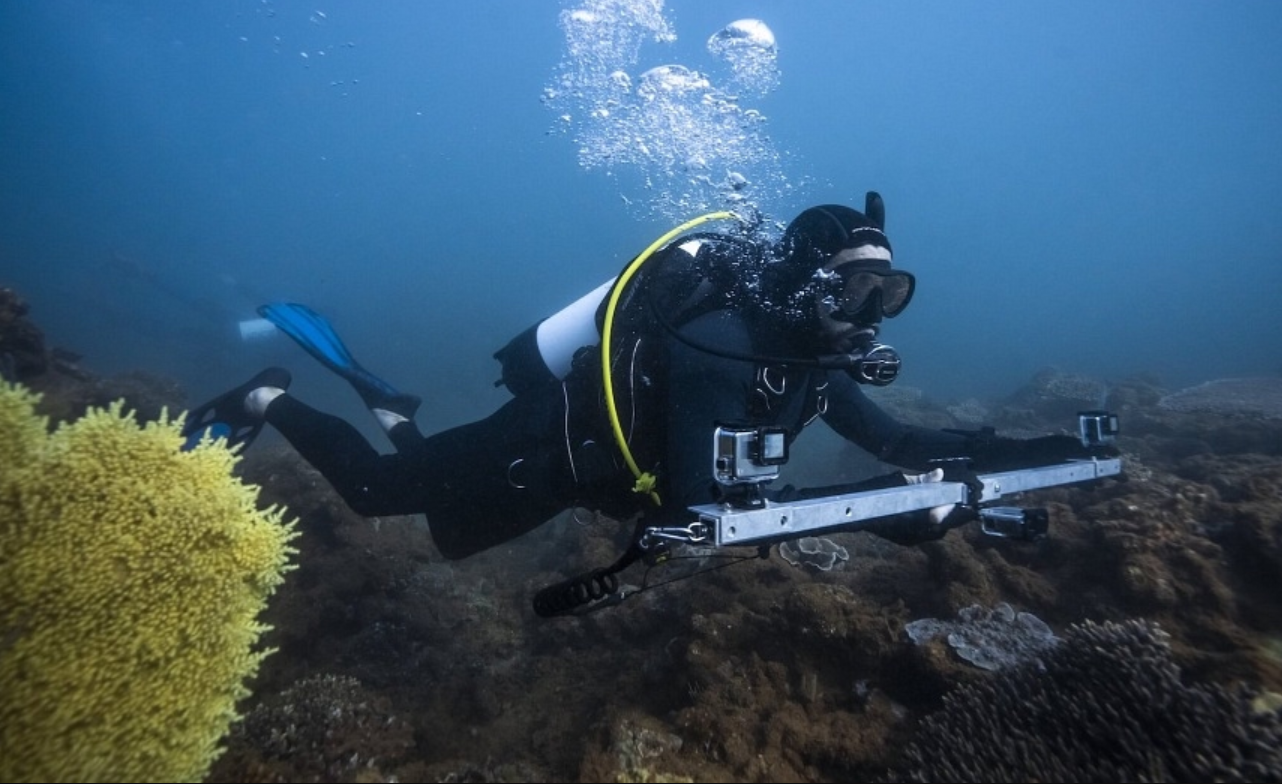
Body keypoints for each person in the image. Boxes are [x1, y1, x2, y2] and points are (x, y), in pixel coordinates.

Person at [183, 192, 1094, 568]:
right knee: (379, 495)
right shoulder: (720, 344)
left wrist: (1024, 451)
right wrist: (898, 513)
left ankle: (391, 407)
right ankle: (266, 394)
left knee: (449, 533)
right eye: (858, 291)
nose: (873, 316)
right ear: (809, 284)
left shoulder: (810, 366)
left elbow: (896, 440)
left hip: (582, 482)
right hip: (543, 445)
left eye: (888, 295)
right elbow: (697, 507)